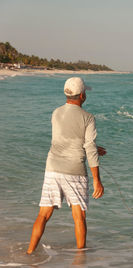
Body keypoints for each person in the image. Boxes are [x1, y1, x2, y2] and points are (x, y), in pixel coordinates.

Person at [27, 77, 106, 254]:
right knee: (79, 217)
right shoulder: (88, 118)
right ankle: (80, 259)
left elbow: (65, 139)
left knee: (43, 214)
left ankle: (29, 252)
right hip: (74, 171)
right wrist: (97, 180)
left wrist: (92, 147)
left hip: (52, 169)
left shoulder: (56, 113)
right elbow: (88, 147)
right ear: (82, 95)